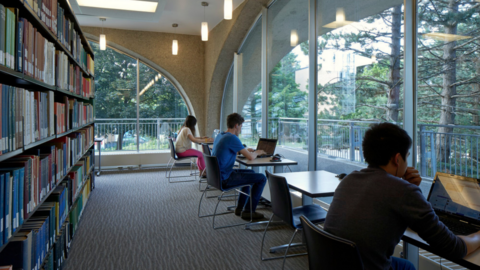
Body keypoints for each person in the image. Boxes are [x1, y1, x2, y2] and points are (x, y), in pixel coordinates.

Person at [323, 123, 480, 270]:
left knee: (406, 265)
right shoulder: (403, 191)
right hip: (367, 266)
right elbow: (454, 248)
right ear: (397, 159)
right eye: (408, 155)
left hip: (334, 263)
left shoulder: (349, 179)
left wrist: (406, 188)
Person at [212, 113, 267, 220]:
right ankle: (249, 211)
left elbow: (228, 151)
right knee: (261, 178)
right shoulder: (232, 138)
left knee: (251, 174)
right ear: (236, 125)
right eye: (241, 126)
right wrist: (257, 152)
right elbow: (251, 158)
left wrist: (245, 150)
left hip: (218, 175)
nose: (241, 129)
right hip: (225, 178)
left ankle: (240, 208)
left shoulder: (221, 135)